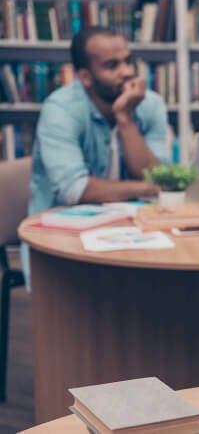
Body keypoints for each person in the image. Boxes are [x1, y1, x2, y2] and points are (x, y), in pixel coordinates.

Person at [24, 26, 169, 287]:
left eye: (128, 61)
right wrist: (148, 187)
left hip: (132, 233)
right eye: (112, 65)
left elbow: (156, 175)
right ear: (85, 77)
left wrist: (125, 118)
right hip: (61, 240)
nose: (126, 72)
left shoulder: (150, 105)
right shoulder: (61, 110)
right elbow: (75, 189)